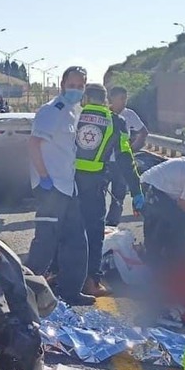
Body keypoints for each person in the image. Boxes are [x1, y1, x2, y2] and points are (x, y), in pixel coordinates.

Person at [27, 66, 97, 306]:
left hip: (67, 187)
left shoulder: (74, 111)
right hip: (51, 186)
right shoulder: (51, 111)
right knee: (45, 242)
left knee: (76, 240)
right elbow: (34, 144)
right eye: (72, 85)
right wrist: (43, 178)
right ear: (62, 85)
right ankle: (25, 292)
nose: (76, 90)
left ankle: (70, 291)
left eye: (80, 86)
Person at [73, 83, 144, 296]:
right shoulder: (117, 121)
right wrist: (136, 190)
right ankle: (91, 283)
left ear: (85, 98)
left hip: (68, 182)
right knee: (94, 233)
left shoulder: (74, 115)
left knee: (68, 229)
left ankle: (57, 274)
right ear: (105, 100)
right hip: (94, 184)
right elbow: (125, 158)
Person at [105, 85, 149, 226]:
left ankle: (112, 225)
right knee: (98, 195)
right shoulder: (104, 114)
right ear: (112, 98)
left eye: (126, 98)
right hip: (103, 162)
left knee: (119, 196)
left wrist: (133, 149)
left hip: (121, 162)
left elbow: (143, 132)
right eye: (121, 98)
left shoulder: (129, 114)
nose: (124, 102)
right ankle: (97, 224)